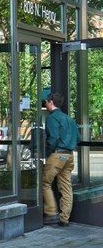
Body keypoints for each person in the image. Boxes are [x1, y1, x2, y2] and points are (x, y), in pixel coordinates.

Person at [41, 92, 79, 227]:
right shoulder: (69, 119)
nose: (45, 104)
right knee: (66, 187)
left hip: (58, 155)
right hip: (69, 156)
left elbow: (54, 138)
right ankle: (64, 219)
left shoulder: (52, 118)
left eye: (46, 101)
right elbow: (78, 138)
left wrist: (46, 153)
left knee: (44, 182)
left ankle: (51, 213)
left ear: (51, 102)